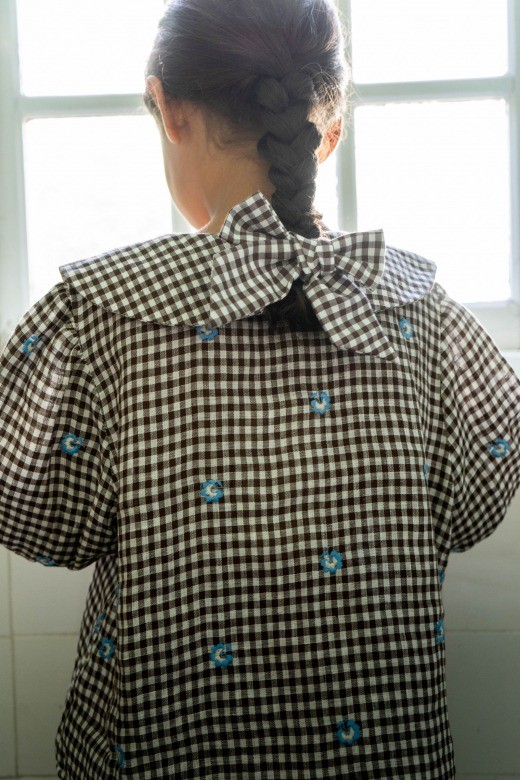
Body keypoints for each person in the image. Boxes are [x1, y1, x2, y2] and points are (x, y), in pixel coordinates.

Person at [0, 0, 519, 777]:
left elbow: (44, 525)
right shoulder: (419, 306)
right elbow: (473, 506)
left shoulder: (98, 310)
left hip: (166, 750)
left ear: (168, 108)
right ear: (328, 131)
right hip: (386, 753)